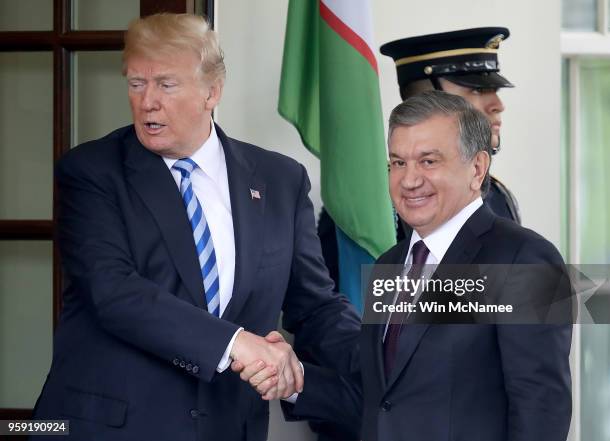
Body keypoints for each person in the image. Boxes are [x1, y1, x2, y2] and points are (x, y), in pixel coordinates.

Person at [31, 13, 360, 441]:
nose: (147, 101)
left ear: (212, 91)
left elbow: (314, 305)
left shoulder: (280, 179)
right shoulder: (91, 172)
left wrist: (381, 360)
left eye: (166, 84)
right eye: (136, 83)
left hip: (227, 428)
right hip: (107, 428)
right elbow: (114, 292)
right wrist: (237, 343)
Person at [235, 91, 572, 441]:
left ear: (477, 168)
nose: (408, 180)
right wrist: (293, 382)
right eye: (398, 162)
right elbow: (379, 401)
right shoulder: (391, 264)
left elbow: (541, 411)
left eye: (428, 161)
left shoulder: (526, 259)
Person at [380, 27, 521, 223]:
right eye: (478, 91)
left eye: (494, 90)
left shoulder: (495, 196)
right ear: (426, 100)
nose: (498, 105)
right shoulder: (380, 204)